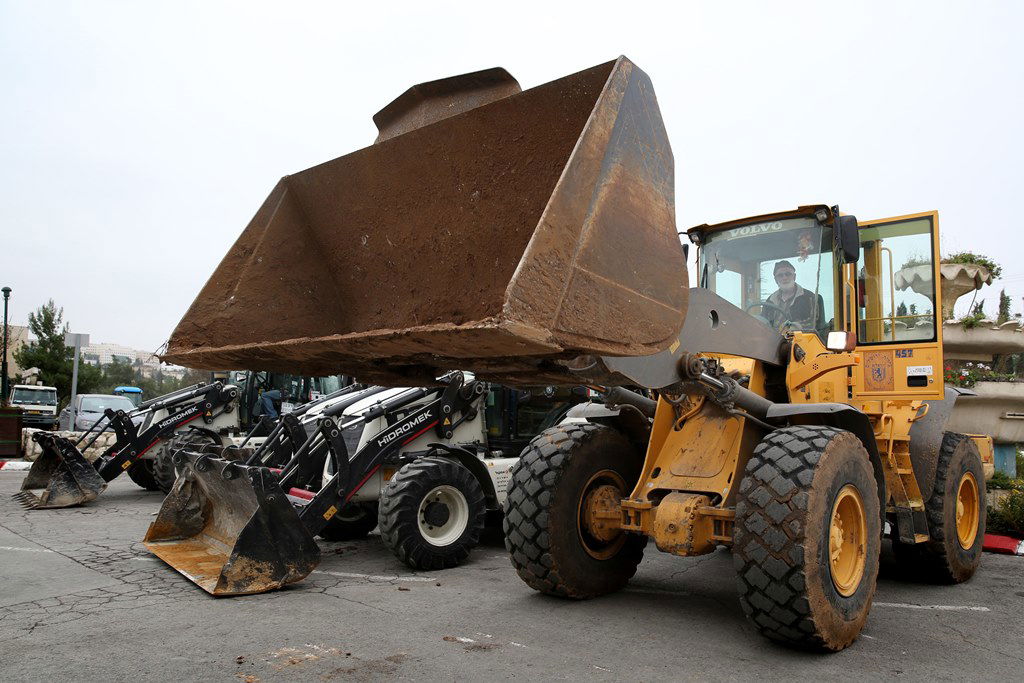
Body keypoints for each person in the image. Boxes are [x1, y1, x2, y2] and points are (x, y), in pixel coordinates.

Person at [764, 260, 825, 332]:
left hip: (800, 340)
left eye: (788, 274)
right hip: (773, 341)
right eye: (780, 275)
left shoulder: (810, 298)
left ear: (794, 276)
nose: (784, 278)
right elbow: (763, 321)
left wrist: (794, 327)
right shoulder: (769, 301)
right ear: (775, 280)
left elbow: (814, 323)